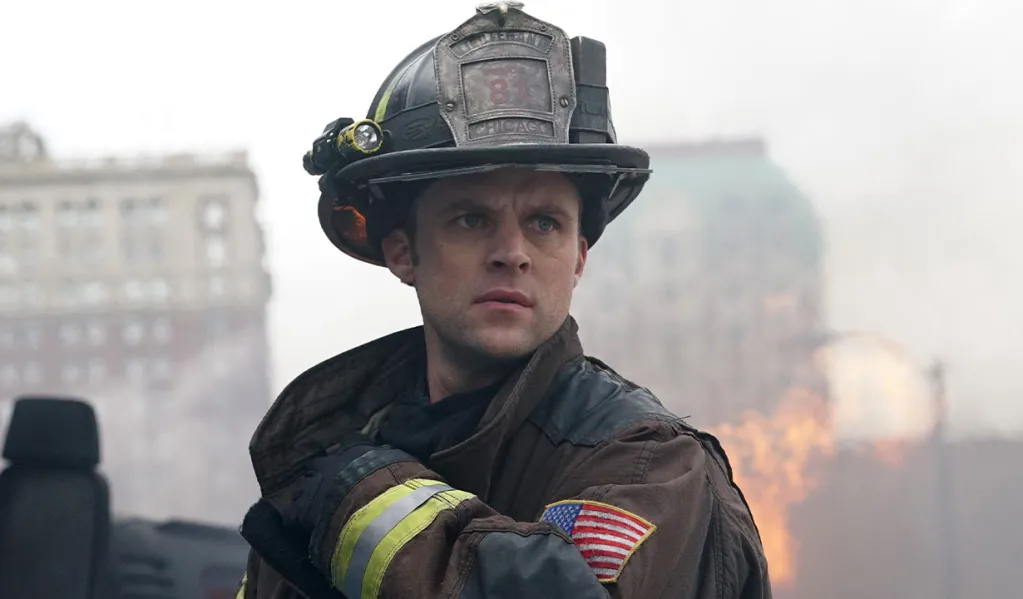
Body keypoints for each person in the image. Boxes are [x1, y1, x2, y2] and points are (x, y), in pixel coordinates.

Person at [236, 3, 771, 598]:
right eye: (471, 220)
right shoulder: (323, 468)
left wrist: (359, 504)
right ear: (403, 252)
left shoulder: (648, 466)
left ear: (578, 259)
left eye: (544, 223)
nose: (512, 253)